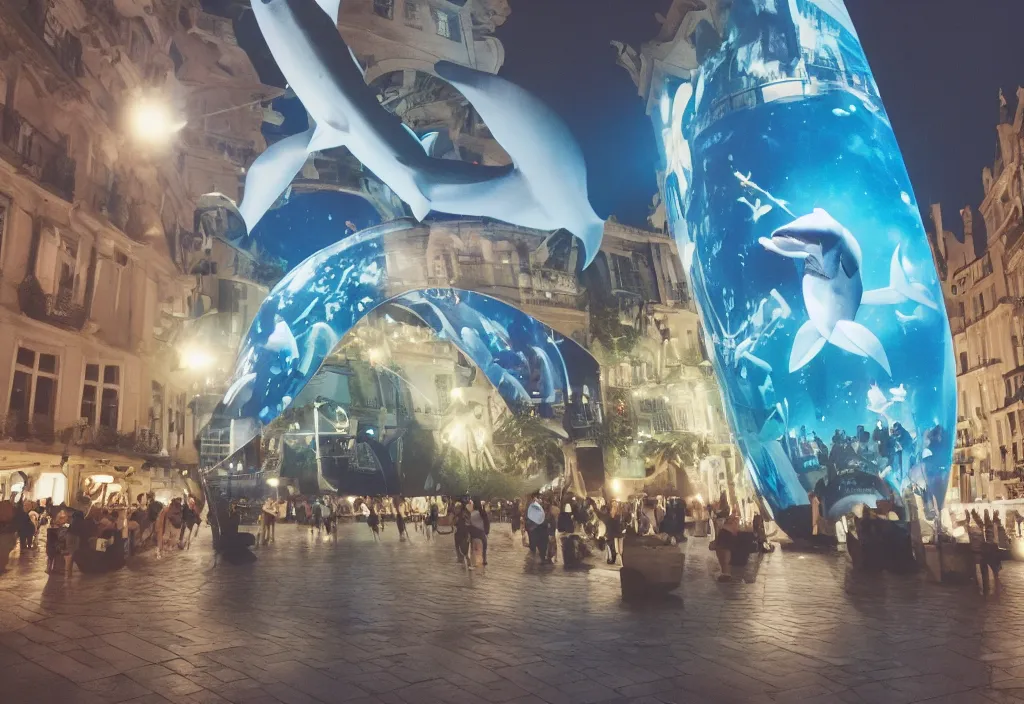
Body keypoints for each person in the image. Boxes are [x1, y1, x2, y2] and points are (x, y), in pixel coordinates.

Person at [469, 500, 488, 566]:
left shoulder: (471, 513)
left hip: (473, 532)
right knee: (484, 545)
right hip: (480, 532)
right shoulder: (482, 512)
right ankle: (484, 560)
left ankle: (472, 561)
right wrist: (487, 532)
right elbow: (486, 522)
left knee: (472, 548)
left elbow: (469, 523)